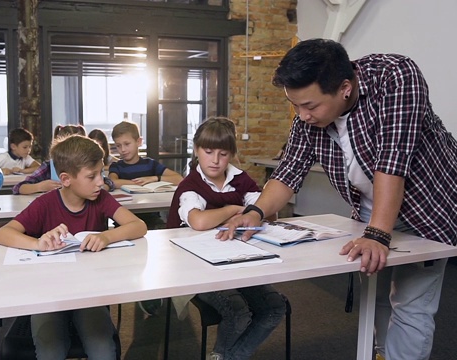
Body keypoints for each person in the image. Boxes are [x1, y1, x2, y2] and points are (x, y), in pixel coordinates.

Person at [218, 38, 457, 360]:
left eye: (310, 106)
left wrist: (377, 233)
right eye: (296, 106)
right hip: (374, 211)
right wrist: (256, 211)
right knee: (378, 296)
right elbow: (289, 170)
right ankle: (383, 353)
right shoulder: (310, 116)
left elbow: (393, 159)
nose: (302, 116)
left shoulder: (396, 76)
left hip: (427, 210)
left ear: (345, 88)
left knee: (411, 302)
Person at [0, 134, 147, 359]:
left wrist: (106, 237)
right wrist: (37, 243)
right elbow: (3, 233)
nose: (100, 181)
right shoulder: (45, 203)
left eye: (102, 173)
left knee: (104, 349)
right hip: (48, 292)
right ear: (66, 179)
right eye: (92, 176)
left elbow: (139, 225)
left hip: (89, 290)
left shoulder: (101, 198)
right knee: (50, 350)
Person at [168, 117, 285, 360]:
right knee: (238, 310)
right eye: (208, 152)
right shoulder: (191, 184)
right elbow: (199, 221)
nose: (215, 160)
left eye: (223, 153)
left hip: (237, 261)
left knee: (275, 306)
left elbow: (269, 211)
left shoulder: (240, 178)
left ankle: (224, 356)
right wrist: (235, 209)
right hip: (195, 268)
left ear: (231, 154)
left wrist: (252, 211)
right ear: (197, 150)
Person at [107, 120, 184, 315]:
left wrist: (155, 178)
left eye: (127, 144)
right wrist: (136, 183)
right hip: (125, 222)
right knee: (134, 258)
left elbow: (178, 179)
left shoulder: (150, 164)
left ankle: (160, 287)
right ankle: (142, 291)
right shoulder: (117, 166)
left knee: (162, 245)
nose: (123, 149)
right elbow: (112, 182)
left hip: (153, 219)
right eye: (118, 146)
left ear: (138, 142)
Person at [12, 124, 116, 195]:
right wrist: (40, 187)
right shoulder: (48, 166)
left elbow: (108, 182)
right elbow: (18, 188)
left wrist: (99, 188)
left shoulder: (88, 166)